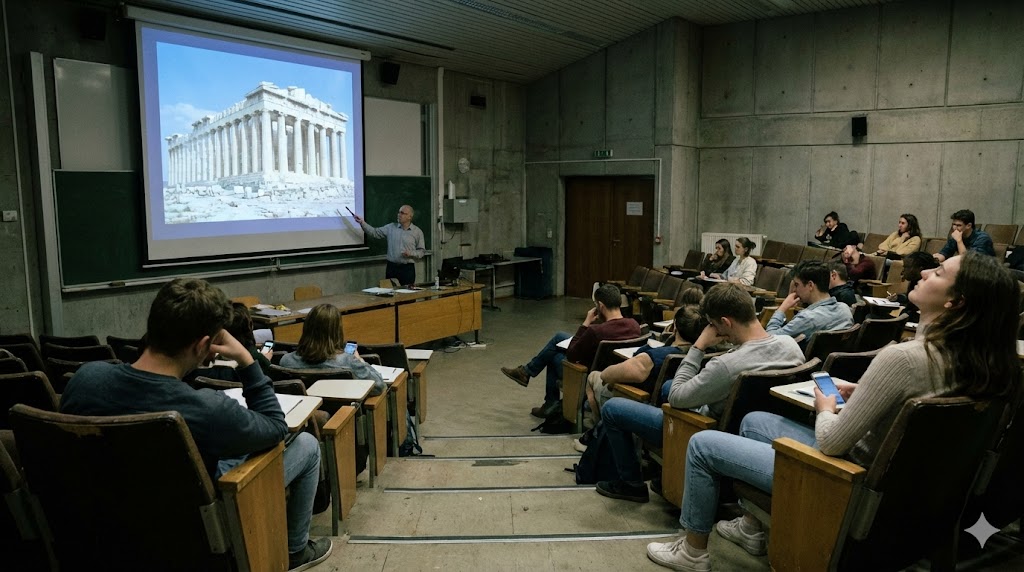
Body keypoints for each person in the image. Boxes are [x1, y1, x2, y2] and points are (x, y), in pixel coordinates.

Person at [645, 252, 1021, 571]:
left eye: (938, 273)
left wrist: (826, 407)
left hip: (845, 481)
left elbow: (831, 442)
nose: (924, 271)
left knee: (704, 445)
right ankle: (750, 525)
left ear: (955, 302)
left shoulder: (903, 358)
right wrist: (866, 391)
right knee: (754, 420)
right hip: (912, 493)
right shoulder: (987, 363)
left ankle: (692, 552)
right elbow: (923, 404)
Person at [60, 278, 333, 571]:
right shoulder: (203, 408)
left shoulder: (85, 380)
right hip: (187, 528)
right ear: (204, 344)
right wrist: (246, 360)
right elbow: (275, 426)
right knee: (305, 444)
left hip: (94, 529)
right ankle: (295, 551)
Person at [594, 283, 805, 503]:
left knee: (612, 409)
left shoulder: (726, 365)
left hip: (699, 425)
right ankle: (670, 469)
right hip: (753, 430)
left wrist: (699, 346)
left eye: (713, 325)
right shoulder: (790, 345)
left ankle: (630, 484)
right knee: (666, 386)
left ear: (725, 322)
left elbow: (677, 396)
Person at [500, 283, 641, 418]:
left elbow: (572, 355)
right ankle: (527, 374)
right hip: (617, 370)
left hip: (588, 375)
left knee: (553, 356)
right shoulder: (634, 325)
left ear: (601, 306)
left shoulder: (596, 331)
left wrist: (586, 323)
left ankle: (546, 399)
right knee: (560, 336)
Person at [583, 303, 707, 429]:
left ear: (674, 326)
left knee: (594, 376)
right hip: (677, 410)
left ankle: (596, 431)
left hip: (643, 404)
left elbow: (606, 375)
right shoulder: (707, 355)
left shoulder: (655, 357)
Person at [280, 304, 385, 396]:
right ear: (337, 331)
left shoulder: (286, 361)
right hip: (343, 415)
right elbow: (379, 386)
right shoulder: (348, 361)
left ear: (306, 327)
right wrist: (360, 360)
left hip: (306, 416)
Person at [766, 261, 854, 347]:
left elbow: (770, 339)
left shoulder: (807, 318)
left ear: (810, 285)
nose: (794, 290)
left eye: (797, 285)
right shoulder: (845, 309)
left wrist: (782, 308)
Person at [350, 204, 425, 286]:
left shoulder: (417, 232)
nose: (399, 215)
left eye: (403, 213)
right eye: (399, 212)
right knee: (389, 294)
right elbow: (375, 232)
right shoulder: (391, 228)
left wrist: (411, 253)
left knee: (408, 295)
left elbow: (421, 251)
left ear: (410, 217)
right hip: (392, 267)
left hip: (407, 268)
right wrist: (362, 223)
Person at [888, 251, 939, 323]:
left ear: (920, 269)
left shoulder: (931, 286)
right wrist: (899, 297)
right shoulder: (915, 281)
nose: (902, 271)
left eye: (906, 267)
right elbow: (910, 302)